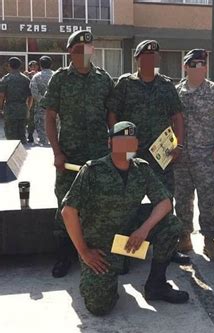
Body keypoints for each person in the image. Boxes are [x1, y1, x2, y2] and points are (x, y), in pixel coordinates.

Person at [62, 121, 189, 316]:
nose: (126, 146)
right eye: (120, 140)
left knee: (171, 224)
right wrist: (85, 252)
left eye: (131, 141)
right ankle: (100, 280)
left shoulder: (141, 168)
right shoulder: (92, 170)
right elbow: (68, 212)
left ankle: (156, 285)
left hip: (130, 238)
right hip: (101, 247)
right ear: (110, 143)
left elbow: (164, 202)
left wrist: (144, 229)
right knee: (99, 307)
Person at [41, 30, 115, 278]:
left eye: (88, 48)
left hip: (98, 156)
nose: (84, 53)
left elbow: (111, 115)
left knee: (99, 203)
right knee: (65, 203)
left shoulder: (103, 79)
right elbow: (50, 117)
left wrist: (114, 144)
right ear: (70, 52)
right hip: (70, 155)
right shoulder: (60, 79)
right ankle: (65, 255)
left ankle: (98, 251)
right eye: (79, 49)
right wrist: (57, 153)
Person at [106, 40, 188, 264]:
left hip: (161, 155)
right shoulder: (125, 83)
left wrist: (178, 144)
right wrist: (115, 140)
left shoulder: (166, 85)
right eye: (145, 56)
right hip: (131, 153)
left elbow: (177, 116)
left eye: (154, 56)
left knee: (164, 199)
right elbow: (113, 113)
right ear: (137, 59)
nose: (150, 60)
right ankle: (125, 251)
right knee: (126, 201)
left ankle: (167, 249)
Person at [174, 49, 214, 262]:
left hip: (207, 158)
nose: (199, 68)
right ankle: (184, 237)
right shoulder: (177, 92)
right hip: (181, 159)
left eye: (202, 64)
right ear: (186, 67)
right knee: (182, 201)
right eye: (194, 64)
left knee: (208, 201)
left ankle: (209, 241)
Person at [0, 57, 32, 144]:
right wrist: (27, 108)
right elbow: (30, 97)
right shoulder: (26, 79)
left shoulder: (6, 79)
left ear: (9, 66)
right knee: (22, 134)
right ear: (20, 66)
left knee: (10, 137)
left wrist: (1, 108)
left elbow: (1, 96)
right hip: (22, 109)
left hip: (10, 110)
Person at [30, 56, 54, 146]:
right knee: (55, 128)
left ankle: (44, 144)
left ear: (40, 65)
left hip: (41, 108)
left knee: (41, 130)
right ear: (51, 64)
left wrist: (43, 102)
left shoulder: (36, 77)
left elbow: (34, 93)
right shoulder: (56, 75)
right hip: (54, 108)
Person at [25, 60, 39, 143]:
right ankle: (30, 135)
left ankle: (43, 135)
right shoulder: (27, 76)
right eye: (31, 66)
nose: (33, 68)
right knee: (31, 119)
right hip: (31, 101)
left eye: (35, 66)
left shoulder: (40, 75)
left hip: (39, 101)